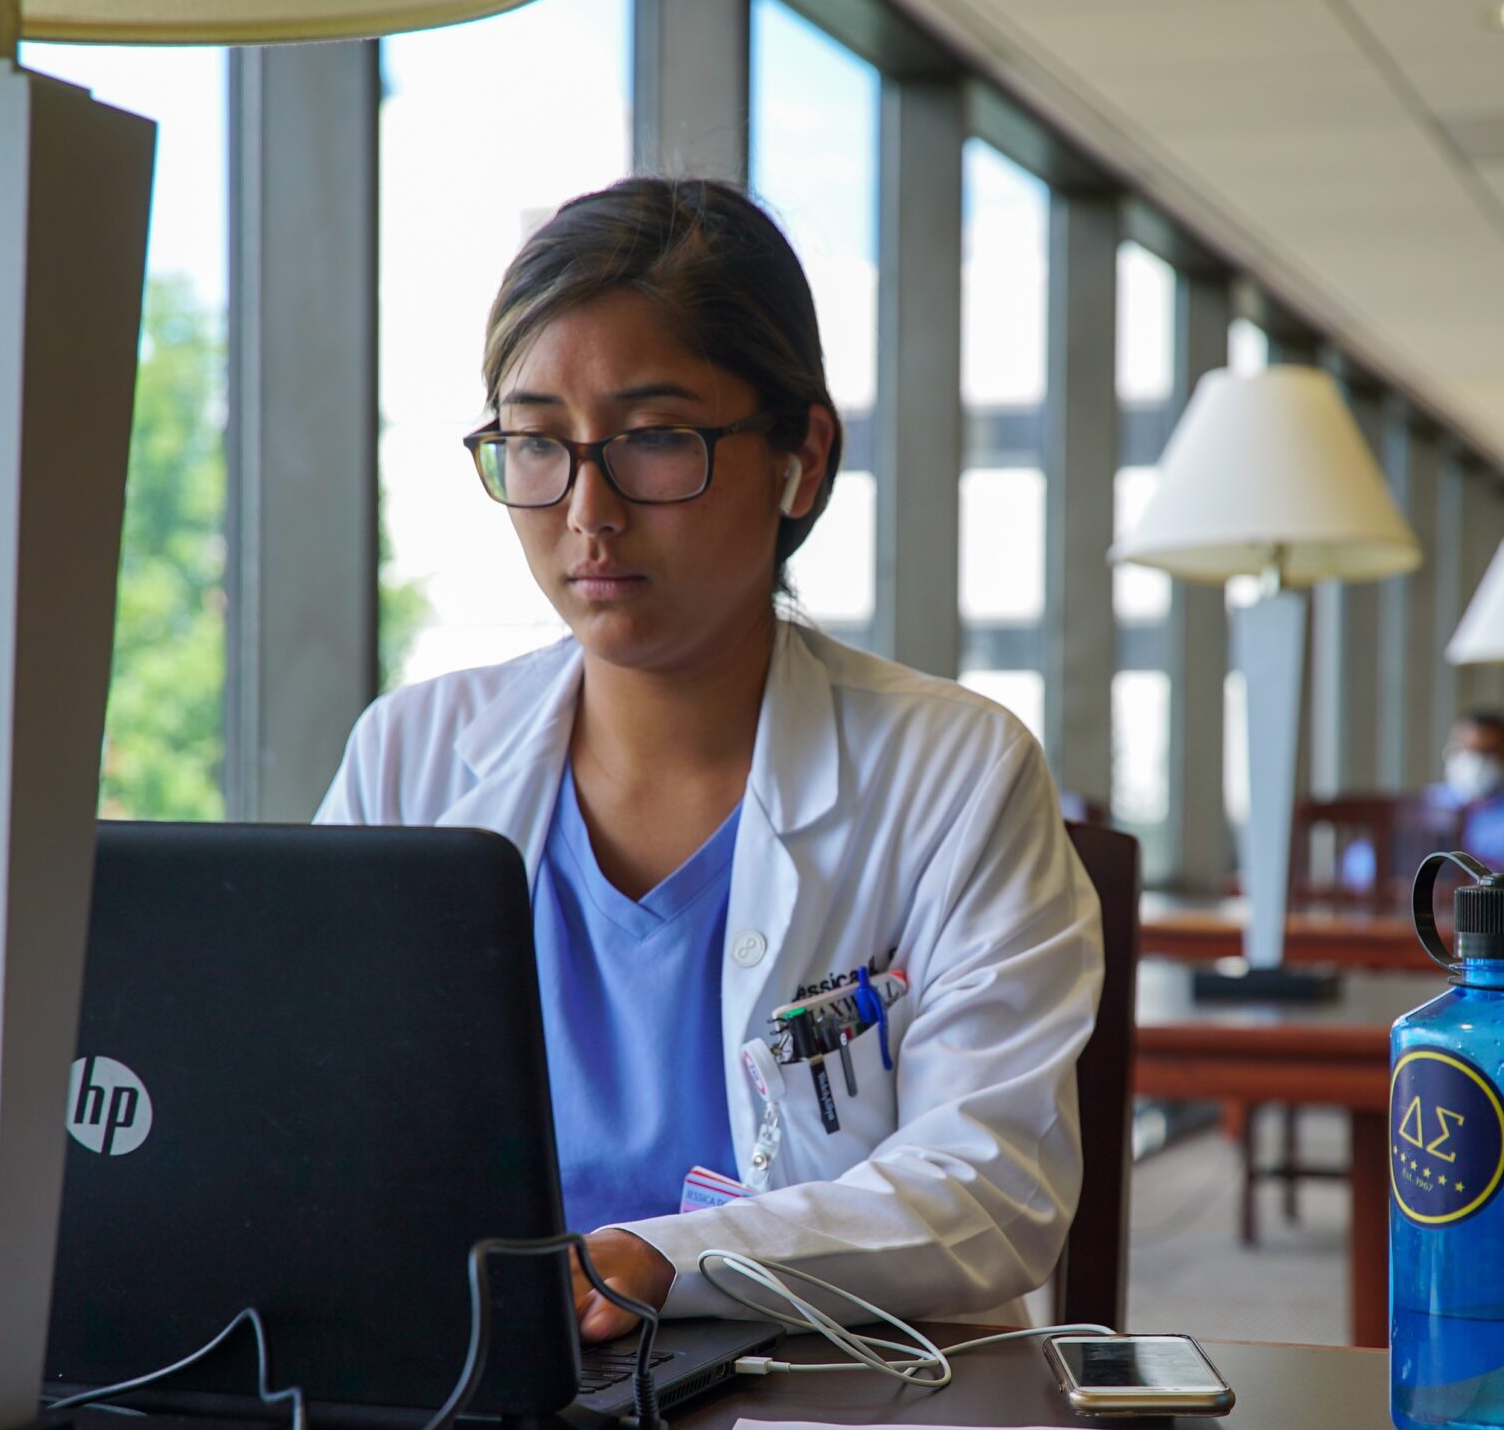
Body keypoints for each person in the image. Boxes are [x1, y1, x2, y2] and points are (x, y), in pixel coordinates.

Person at [316, 178, 1102, 1342]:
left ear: (801, 455)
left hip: (833, 1400)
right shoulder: (413, 755)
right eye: (536, 442)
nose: (588, 509)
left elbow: (990, 1191)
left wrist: (664, 1262)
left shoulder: (953, 771)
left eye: (652, 440)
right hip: (477, 1393)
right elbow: (311, 1120)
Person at [1430, 709, 1504, 874]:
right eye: (1466, 750)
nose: (1474, 762)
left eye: (1486, 752)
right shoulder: (1429, 804)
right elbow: (1375, 865)